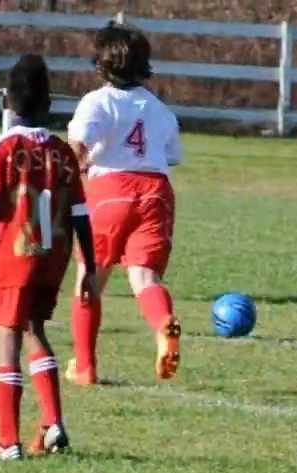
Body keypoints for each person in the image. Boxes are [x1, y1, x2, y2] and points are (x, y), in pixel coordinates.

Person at [0, 55, 99, 460]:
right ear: (49, 104)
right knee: (35, 330)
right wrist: (90, 266)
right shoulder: (63, 153)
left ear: (8, 103)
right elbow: (81, 213)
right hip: (53, 257)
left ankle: (7, 440)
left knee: (7, 337)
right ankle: (53, 425)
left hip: (15, 256)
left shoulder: (0, 147)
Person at [66, 22, 183, 384]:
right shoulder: (161, 110)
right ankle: (163, 323)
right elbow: (171, 155)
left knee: (89, 279)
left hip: (109, 190)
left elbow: (77, 149)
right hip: (157, 192)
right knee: (144, 276)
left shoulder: (97, 101)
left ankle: (85, 366)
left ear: (101, 63)